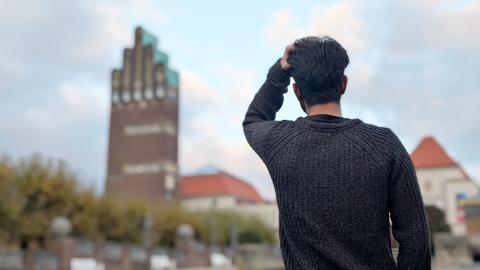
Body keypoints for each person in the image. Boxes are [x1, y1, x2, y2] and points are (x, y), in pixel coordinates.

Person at [242, 36, 431, 269]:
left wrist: (279, 72)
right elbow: (415, 235)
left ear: (297, 91)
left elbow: (253, 120)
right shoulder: (384, 144)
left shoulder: (280, 143)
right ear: (343, 84)